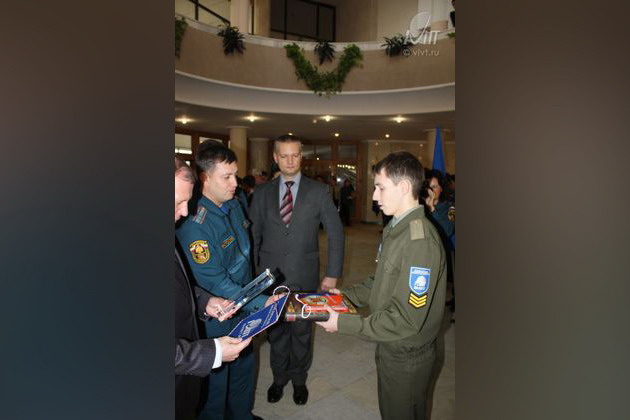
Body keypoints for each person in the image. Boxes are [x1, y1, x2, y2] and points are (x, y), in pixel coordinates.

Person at [315, 151, 447, 420]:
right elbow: (381, 280)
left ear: (404, 187)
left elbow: (407, 319)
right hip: (392, 345)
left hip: (406, 354)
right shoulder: (397, 229)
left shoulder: (419, 241)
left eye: (380, 187)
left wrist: (344, 323)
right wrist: (346, 296)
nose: (375, 196)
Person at [176, 142, 276, 420]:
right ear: (205, 178)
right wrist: (262, 302)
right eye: (227, 177)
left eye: (235, 175)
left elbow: (246, 255)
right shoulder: (194, 223)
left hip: (244, 306)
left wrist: (256, 299)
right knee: (216, 386)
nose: (235, 183)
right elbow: (216, 281)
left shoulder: (234, 204)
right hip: (217, 315)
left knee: (244, 369)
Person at [249, 134, 345, 405]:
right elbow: (253, 237)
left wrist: (332, 274)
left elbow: (336, 233)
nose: (290, 161)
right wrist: (253, 277)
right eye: (284, 155)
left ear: (301, 156)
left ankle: (299, 379)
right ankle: (279, 378)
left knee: (302, 331)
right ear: (275, 157)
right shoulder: (262, 193)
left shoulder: (319, 191)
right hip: (271, 277)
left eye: (295, 155)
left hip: (305, 274)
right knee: (277, 330)